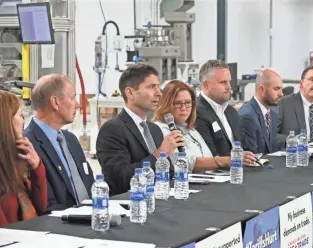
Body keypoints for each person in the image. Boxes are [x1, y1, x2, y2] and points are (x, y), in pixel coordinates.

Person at [96, 64, 183, 195]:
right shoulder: (112, 129)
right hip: (130, 204)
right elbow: (120, 178)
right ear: (130, 93)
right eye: (151, 87)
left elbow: (168, 172)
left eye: (158, 86)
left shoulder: (154, 130)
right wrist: (160, 154)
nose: (158, 93)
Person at [24, 74, 94, 212]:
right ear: (55, 102)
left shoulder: (71, 140)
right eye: (73, 97)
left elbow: (90, 186)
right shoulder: (28, 145)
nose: (78, 105)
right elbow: (45, 204)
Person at [153, 80, 256, 171]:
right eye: (178, 103)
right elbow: (187, 163)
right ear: (166, 104)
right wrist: (229, 160)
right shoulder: (160, 129)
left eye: (188, 102)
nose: (184, 108)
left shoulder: (190, 128)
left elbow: (208, 156)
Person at [0, 91, 47, 226]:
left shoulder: (14, 158)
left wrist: (37, 167)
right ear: (6, 121)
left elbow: (40, 206)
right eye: (20, 115)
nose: (23, 121)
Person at [195, 59, 242, 157]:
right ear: (206, 85)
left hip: (240, 169)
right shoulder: (197, 113)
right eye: (223, 82)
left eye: (229, 82)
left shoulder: (231, 111)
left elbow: (243, 145)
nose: (229, 87)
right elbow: (210, 155)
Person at [277, 66, 313, 140]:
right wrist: (293, 140)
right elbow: (270, 136)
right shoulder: (283, 104)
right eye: (312, 80)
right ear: (301, 83)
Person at [238, 69, 283, 154]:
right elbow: (252, 158)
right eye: (276, 89)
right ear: (262, 89)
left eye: (281, 89)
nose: (281, 94)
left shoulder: (272, 114)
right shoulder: (247, 117)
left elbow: (272, 150)